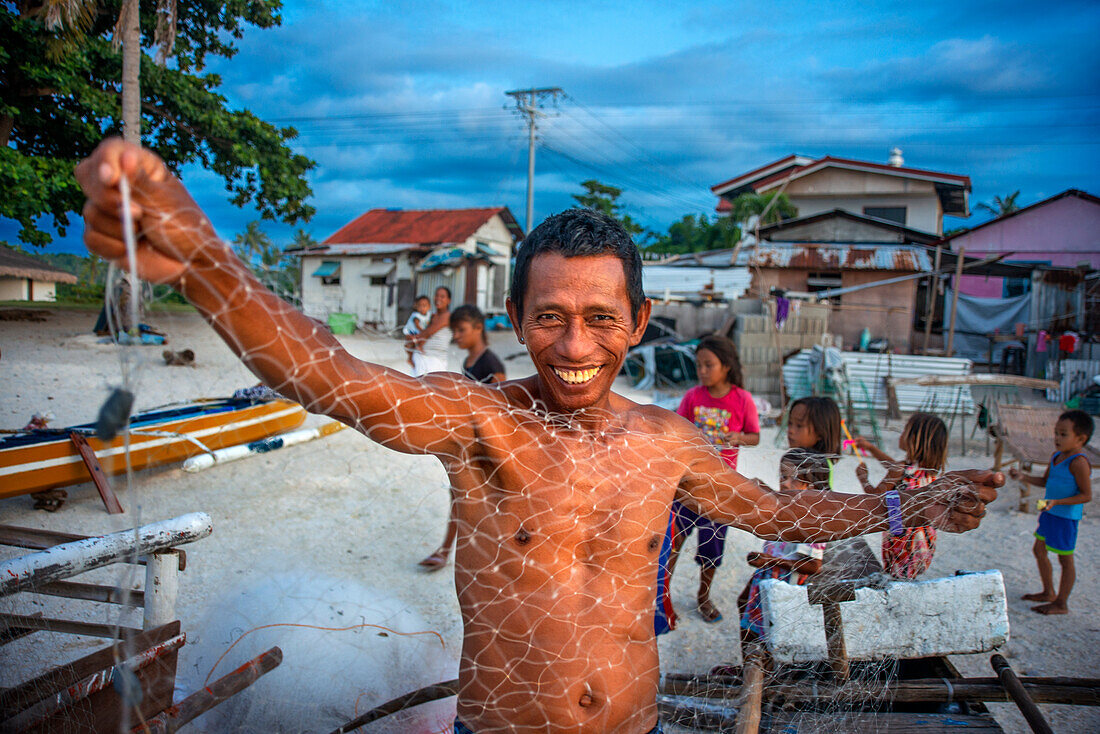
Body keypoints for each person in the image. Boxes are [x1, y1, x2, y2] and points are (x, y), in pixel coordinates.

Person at [76, 139, 1000, 734]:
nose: (575, 344)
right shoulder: (482, 425)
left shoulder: (669, 445)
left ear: (639, 322)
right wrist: (206, 260)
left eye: (601, 317)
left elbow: (776, 510)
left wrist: (904, 502)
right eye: (550, 316)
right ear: (515, 315)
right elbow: (330, 377)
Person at [664, 335, 759, 624]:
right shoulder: (693, 397)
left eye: (709, 365)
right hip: (687, 487)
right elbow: (678, 430)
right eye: (699, 365)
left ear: (726, 366)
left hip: (720, 491)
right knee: (672, 544)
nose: (702, 371)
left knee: (711, 551)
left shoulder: (742, 399)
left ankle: (703, 598)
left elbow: (755, 437)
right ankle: (661, 599)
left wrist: (738, 437)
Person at [737, 397, 842, 649]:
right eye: (790, 424)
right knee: (748, 608)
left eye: (798, 425)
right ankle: (752, 668)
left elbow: (806, 508)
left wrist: (771, 495)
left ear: (819, 432)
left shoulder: (817, 468)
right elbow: (795, 498)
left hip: (786, 573)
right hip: (777, 565)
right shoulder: (803, 463)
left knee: (760, 620)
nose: (790, 431)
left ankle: (756, 673)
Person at [419, 304, 506, 570]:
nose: (456, 336)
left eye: (461, 330)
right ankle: (446, 551)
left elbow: (501, 410)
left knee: (479, 504)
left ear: (478, 328)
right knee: (459, 499)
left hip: (485, 447)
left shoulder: (492, 364)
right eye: (454, 331)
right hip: (467, 443)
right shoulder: (469, 361)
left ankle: (456, 554)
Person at [1011, 410, 1094, 615]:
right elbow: (1045, 481)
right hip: (1049, 512)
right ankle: (1048, 592)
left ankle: (1061, 603)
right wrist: (1023, 477)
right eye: (1056, 433)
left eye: (1063, 434)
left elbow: (1086, 495)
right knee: (1039, 551)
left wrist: (1057, 501)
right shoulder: (1056, 456)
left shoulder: (1079, 462)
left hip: (1066, 518)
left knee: (1065, 559)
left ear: (1081, 438)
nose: (1056, 438)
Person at [856, 412, 948, 579]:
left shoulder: (899, 469)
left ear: (914, 440)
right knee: (908, 578)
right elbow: (893, 466)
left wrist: (864, 479)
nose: (901, 433)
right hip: (924, 542)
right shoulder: (932, 473)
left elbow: (874, 497)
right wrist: (870, 448)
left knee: (896, 578)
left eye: (905, 430)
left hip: (901, 539)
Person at [410, 286, 451, 376]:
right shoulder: (432, 316)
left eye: (442, 296)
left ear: (449, 300)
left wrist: (416, 337)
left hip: (435, 359)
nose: (438, 299)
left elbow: (428, 332)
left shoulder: (447, 316)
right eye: (436, 295)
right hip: (422, 357)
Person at [403, 295, 432, 369]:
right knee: (409, 344)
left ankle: (418, 348)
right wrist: (424, 331)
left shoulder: (429, 314)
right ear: (416, 307)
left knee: (420, 340)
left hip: (418, 332)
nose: (422, 308)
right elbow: (417, 325)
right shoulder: (416, 315)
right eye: (420, 306)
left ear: (429, 307)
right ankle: (409, 358)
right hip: (410, 331)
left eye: (424, 306)